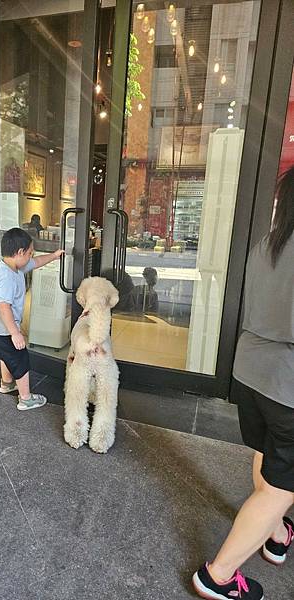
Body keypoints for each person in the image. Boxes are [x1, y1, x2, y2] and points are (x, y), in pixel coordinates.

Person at [193, 166, 294, 600]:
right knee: (283, 481)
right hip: (286, 380)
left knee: (266, 455)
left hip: (249, 372)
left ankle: (276, 536)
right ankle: (218, 575)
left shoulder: (265, 246)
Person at [0, 227, 64, 410]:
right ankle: (26, 398)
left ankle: (7, 383)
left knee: (6, 355)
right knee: (20, 359)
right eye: (29, 252)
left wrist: (54, 255)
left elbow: (36, 262)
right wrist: (15, 333)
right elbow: (4, 307)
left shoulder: (11, 265)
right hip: (2, 327)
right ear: (20, 252)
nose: (31, 256)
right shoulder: (7, 277)